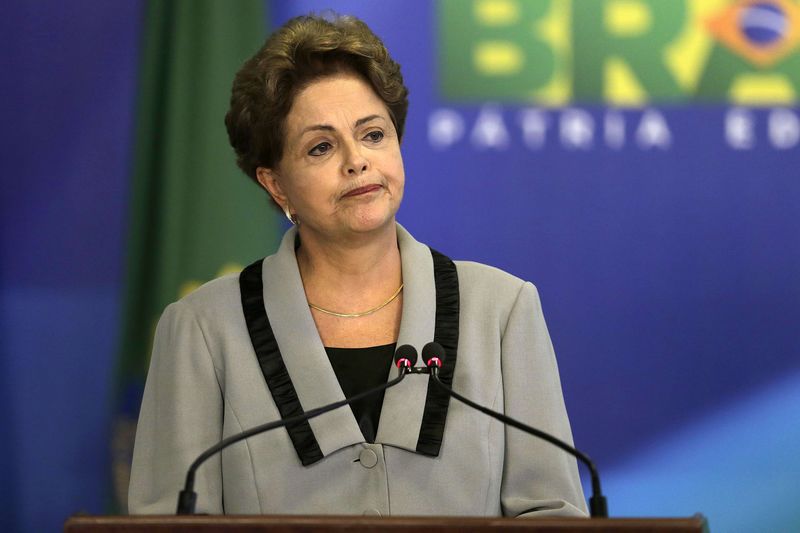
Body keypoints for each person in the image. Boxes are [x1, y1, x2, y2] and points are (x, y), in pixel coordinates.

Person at [128, 13, 587, 517]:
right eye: (321, 147)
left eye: (373, 135)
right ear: (275, 184)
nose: (357, 161)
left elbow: (552, 514)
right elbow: (169, 524)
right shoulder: (201, 330)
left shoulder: (501, 310)